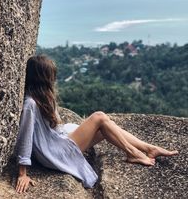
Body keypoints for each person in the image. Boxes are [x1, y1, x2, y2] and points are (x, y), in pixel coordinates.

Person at [15, 55, 178, 193]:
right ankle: (132, 153)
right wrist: (23, 173)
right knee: (99, 117)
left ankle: (149, 149)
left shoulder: (43, 97)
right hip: (54, 151)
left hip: (58, 141)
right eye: (51, 75)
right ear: (43, 78)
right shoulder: (31, 104)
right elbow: (25, 136)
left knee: (107, 126)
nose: (53, 79)